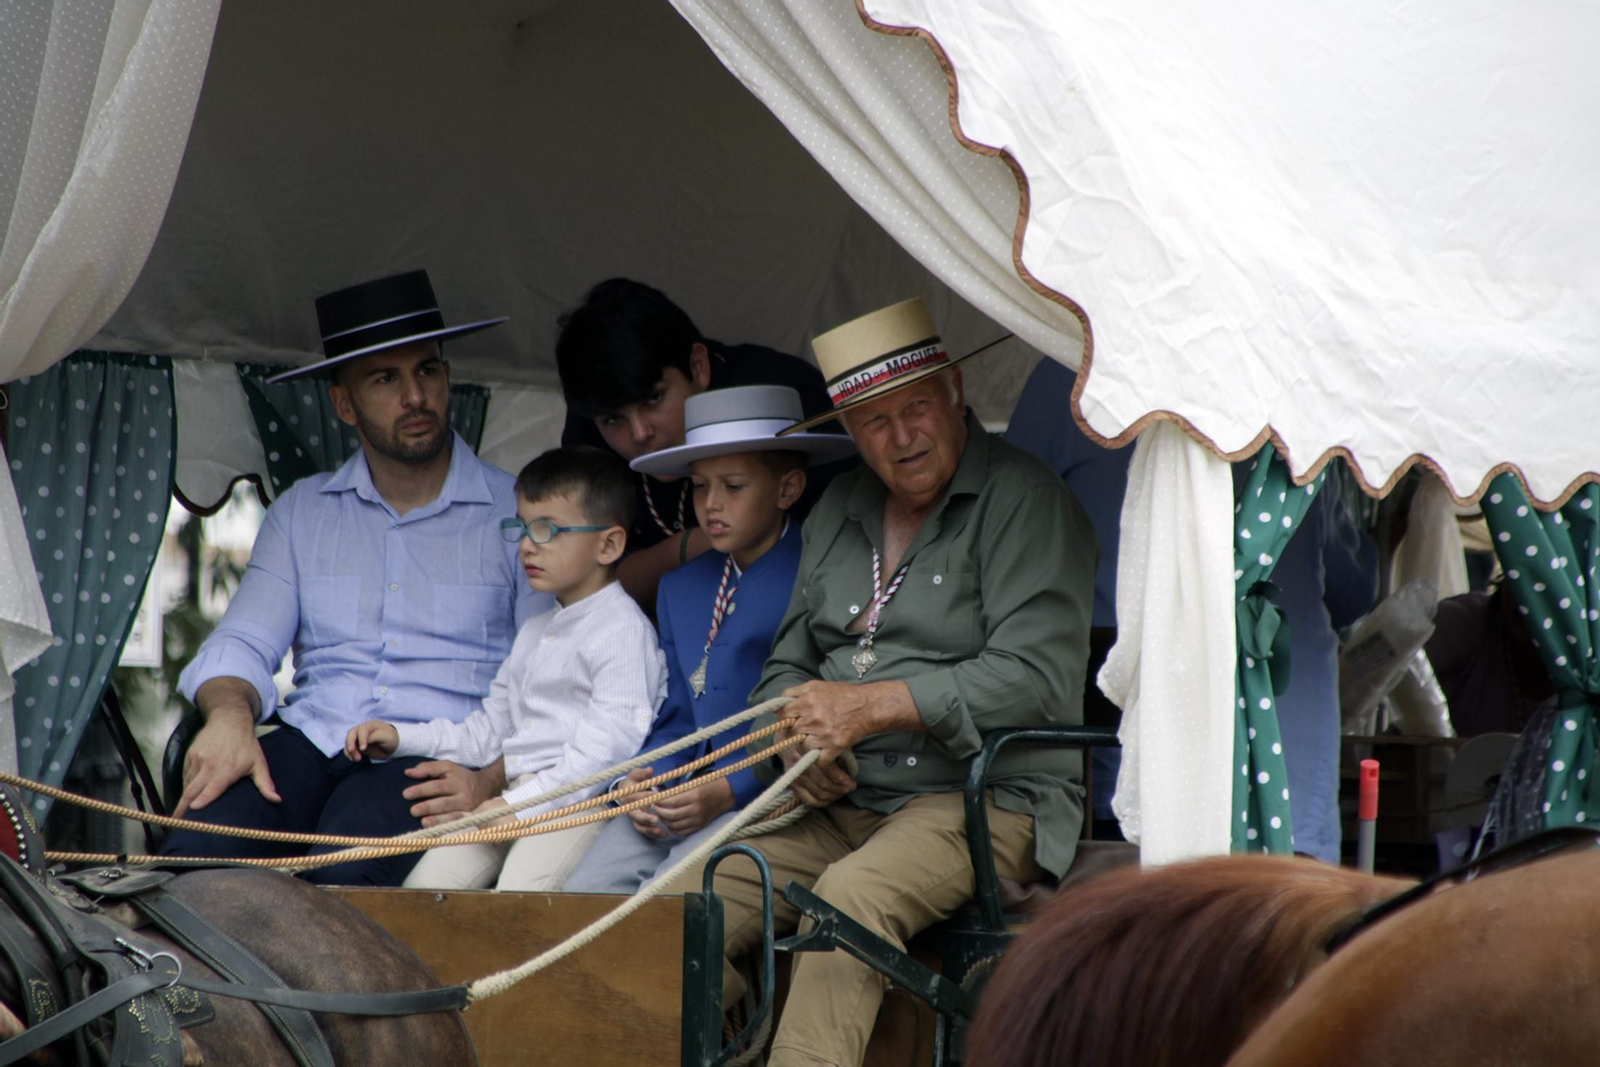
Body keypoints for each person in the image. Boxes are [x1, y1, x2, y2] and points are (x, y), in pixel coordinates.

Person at [661, 298, 1096, 1067]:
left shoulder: (1025, 500)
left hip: (984, 798)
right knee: (679, 908)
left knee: (845, 902)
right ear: (850, 431)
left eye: (915, 407)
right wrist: (794, 740)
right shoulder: (841, 506)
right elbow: (786, 668)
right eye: (873, 421)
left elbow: (1035, 677)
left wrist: (866, 709)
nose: (900, 436)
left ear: (955, 390)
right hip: (842, 800)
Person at [164, 270, 544, 886]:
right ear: (344, 404)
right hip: (311, 741)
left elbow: (551, 680)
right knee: (189, 861)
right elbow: (241, 644)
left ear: (448, 377)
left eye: (427, 371)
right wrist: (230, 716)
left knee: (343, 886)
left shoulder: (520, 514)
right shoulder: (301, 513)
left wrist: (489, 780)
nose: (415, 396)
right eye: (385, 379)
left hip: (434, 756)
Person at [564, 386, 856, 893]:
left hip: (772, 799)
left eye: (734, 486)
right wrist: (645, 778)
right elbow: (678, 717)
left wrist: (726, 790)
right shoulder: (682, 587)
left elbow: (821, 724)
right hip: (681, 794)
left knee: (667, 902)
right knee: (582, 893)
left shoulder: (823, 579)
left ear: (788, 489)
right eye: (700, 487)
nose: (712, 504)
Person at [346, 447, 668, 891]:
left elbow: (607, 750)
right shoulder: (535, 630)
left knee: (520, 897)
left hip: (579, 804)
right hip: (511, 799)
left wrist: (520, 806)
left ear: (608, 545)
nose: (527, 545)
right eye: (522, 527)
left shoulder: (622, 630)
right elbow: (488, 733)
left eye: (547, 529)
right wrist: (402, 738)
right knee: (424, 892)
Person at [555, 278, 845, 613]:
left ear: (698, 366)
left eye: (653, 399)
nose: (639, 433)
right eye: (612, 419)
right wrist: (685, 548)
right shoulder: (590, 427)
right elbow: (580, 589)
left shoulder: (784, 402)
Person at [1004, 357, 1131, 836]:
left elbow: (1006, 509)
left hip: (1099, 688)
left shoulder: (1072, 368)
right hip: (1270, 760)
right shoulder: (1267, 366)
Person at [1235, 460, 1378, 864]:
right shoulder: (1299, 443)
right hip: (1288, 723)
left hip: (1130, 751)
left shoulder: (1098, 425)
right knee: (1291, 886)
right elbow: (1352, 591)